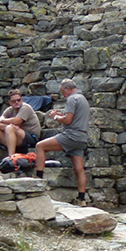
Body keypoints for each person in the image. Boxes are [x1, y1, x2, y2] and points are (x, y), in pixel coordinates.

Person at [34, 78, 90, 206]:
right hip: (81, 138)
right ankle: (81, 199)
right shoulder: (83, 99)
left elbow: (68, 120)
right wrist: (60, 114)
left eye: (62, 92)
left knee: (40, 146)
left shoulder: (72, 98)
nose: (62, 95)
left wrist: (54, 116)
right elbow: (72, 116)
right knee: (79, 169)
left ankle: (38, 179)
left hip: (71, 135)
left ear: (68, 89)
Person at [0, 89, 41, 171]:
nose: (16, 102)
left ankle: (11, 159)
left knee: (10, 128)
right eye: (13, 101)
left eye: (18, 100)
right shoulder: (9, 110)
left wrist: (6, 123)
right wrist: (9, 126)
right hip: (16, 136)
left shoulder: (25, 108)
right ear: (10, 102)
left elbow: (17, 121)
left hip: (31, 138)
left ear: (21, 100)